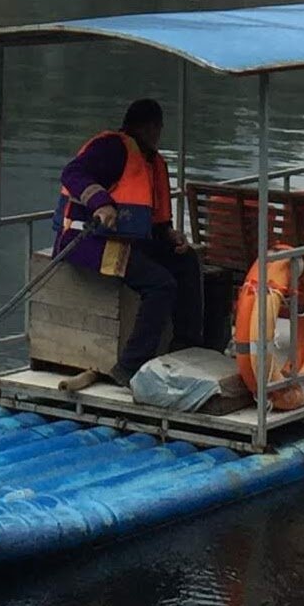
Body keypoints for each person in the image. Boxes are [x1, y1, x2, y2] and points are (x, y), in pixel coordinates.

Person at [54, 96, 203, 388]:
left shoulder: (152, 161)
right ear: (148, 127)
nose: (157, 134)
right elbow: (72, 173)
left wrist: (168, 233)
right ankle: (129, 367)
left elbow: (150, 215)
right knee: (160, 283)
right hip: (88, 241)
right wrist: (100, 202)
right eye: (156, 127)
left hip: (129, 241)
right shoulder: (113, 148)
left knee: (186, 261)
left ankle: (187, 346)